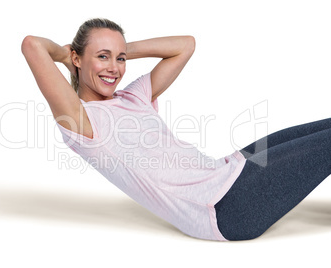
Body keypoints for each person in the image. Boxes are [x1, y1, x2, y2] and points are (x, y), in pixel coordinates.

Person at [21, 18, 331, 241]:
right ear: (77, 58)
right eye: (102, 56)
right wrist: (64, 57)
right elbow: (32, 45)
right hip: (227, 207)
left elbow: (185, 45)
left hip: (231, 171)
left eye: (120, 58)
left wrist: (120, 48)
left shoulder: (134, 96)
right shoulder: (81, 122)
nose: (114, 67)